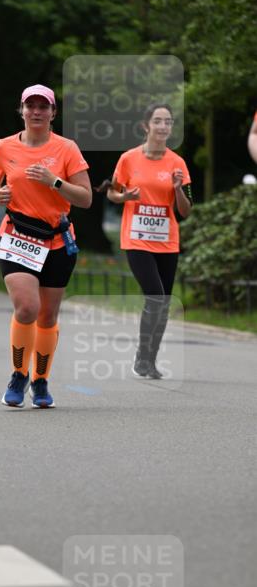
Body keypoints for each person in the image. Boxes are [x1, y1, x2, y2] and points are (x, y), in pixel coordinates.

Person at [0, 84, 91, 408]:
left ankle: (40, 381)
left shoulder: (67, 149)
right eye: (30, 106)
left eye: (43, 107)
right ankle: (18, 374)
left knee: (46, 316)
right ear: (21, 111)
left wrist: (54, 181)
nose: (36, 112)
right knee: (27, 307)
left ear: (53, 113)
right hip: (17, 235)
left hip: (56, 239)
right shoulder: (4, 147)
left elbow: (85, 198)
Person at [105, 102, 191, 379]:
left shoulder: (177, 163)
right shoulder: (129, 159)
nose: (164, 126)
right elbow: (112, 194)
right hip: (137, 239)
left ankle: (149, 360)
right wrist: (124, 197)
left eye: (168, 122)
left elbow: (186, 210)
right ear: (146, 126)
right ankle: (142, 355)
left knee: (164, 301)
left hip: (167, 240)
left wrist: (178, 189)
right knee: (155, 296)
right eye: (158, 121)